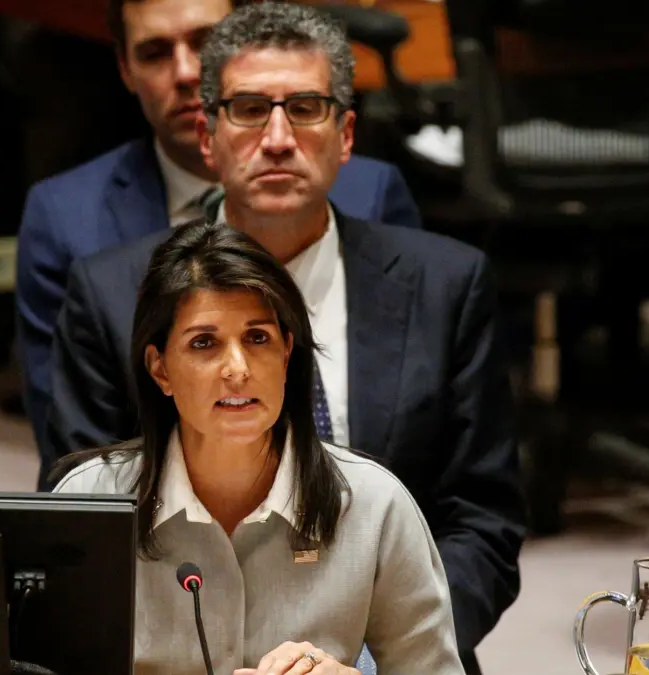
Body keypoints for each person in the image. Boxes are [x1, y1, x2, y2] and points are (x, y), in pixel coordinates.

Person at [45, 4, 524, 673]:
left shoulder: (447, 284)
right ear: (207, 136)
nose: (276, 139)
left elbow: (483, 522)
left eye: (304, 108)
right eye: (248, 110)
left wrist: (368, 655)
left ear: (346, 134)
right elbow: (82, 531)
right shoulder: (111, 293)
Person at [15, 0, 425, 459]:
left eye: (206, 44)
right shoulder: (72, 227)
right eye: (155, 53)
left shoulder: (371, 193)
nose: (187, 72)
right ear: (125, 69)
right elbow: (75, 456)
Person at [54, 220, 464, 675]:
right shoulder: (91, 499)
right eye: (204, 343)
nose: (238, 368)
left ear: (286, 354)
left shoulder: (374, 505)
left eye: (257, 338)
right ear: (160, 369)